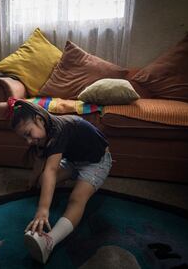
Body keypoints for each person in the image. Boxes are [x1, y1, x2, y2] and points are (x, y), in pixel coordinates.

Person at [9, 98, 112, 264]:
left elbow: (51, 169)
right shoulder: (43, 133)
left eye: (28, 134)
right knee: (43, 182)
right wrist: (32, 181)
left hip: (96, 161)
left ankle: (49, 241)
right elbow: (40, 160)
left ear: (39, 120)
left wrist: (43, 210)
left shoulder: (59, 129)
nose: (28, 141)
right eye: (24, 138)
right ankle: (74, 177)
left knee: (76, 199)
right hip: (73, 160)